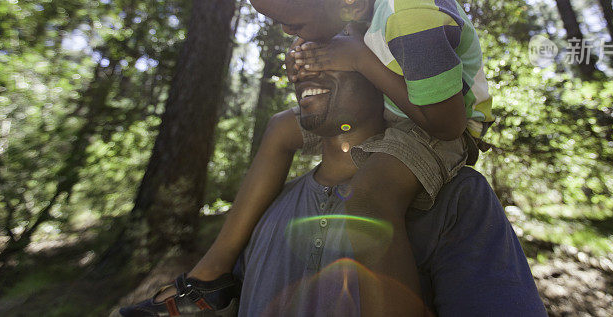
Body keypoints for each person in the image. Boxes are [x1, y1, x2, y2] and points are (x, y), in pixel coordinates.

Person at [121, 0, 496, 314]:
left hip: (440, 125)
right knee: (283, 127)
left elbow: (445, 122)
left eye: (293, 24)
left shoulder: (412, 18)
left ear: (348, 3)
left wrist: (356, 58)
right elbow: (343, 30)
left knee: (368, 201)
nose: (287, 32)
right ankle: (211, 275)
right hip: (401, 107)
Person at [121, 50, 545, 316]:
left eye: (327, 55)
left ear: (382, 77)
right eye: (301, 56)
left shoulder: (457, 199)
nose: (305, 65)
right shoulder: (263, 207)